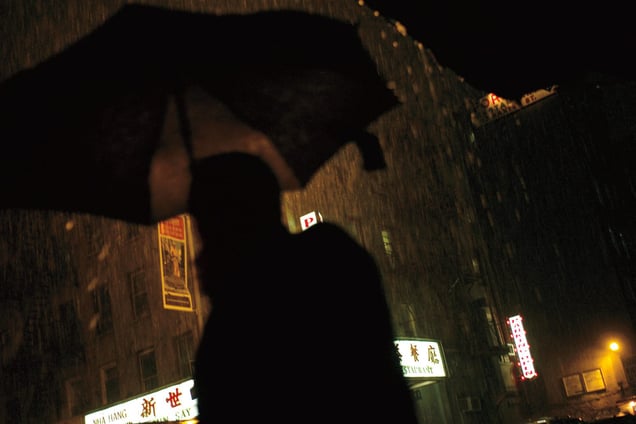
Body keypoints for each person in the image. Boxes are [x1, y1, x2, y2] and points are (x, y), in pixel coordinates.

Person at [188, 152, 418, 423]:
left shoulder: (227, 334)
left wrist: (228, 293)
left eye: (205, 229)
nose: (199, 252)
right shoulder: (332, 254)